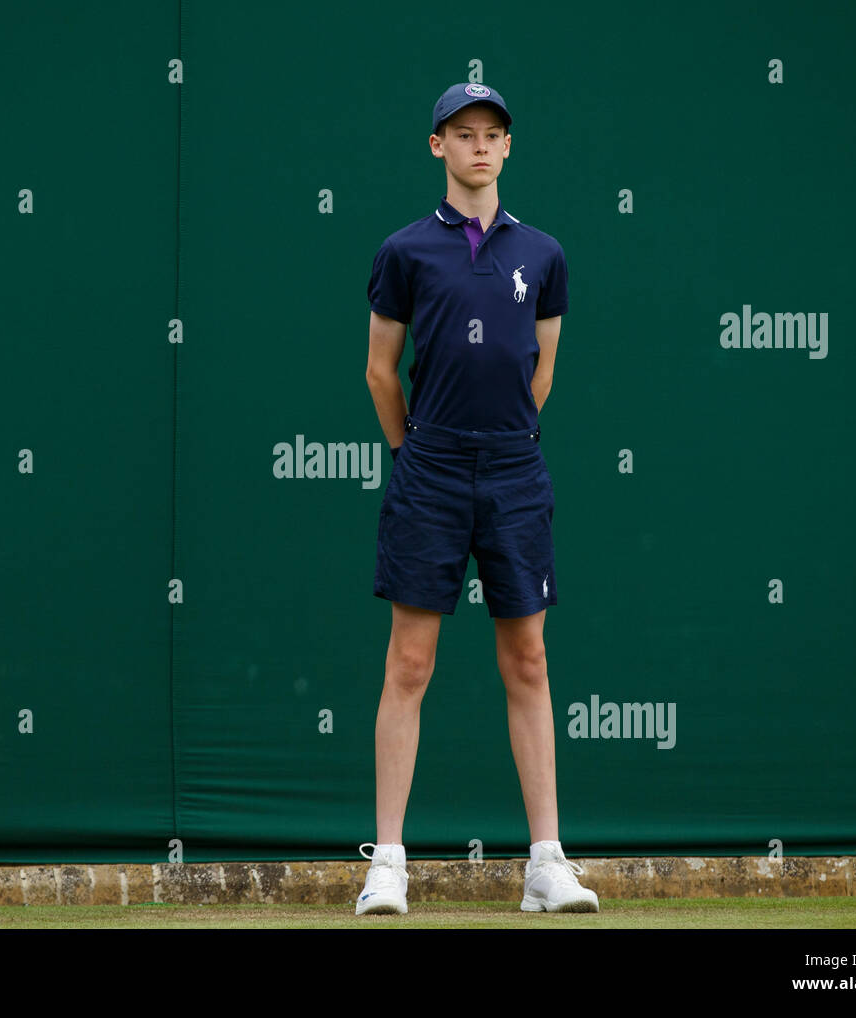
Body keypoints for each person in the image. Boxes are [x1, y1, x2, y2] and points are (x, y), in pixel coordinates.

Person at [356, 82, 599, 915]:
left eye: (493, 134)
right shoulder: (404, 252)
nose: (480, 147)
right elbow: (381, 372)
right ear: (438, 147)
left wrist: (499, 442)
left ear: (507, 147)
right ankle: (388, 863)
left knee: (527, 659)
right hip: (429, 468)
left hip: (514, 471)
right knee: (410, 662)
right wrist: (413, 452)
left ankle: (546, 863)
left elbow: (543, 372)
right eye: (464, 135)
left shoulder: (546, 255)